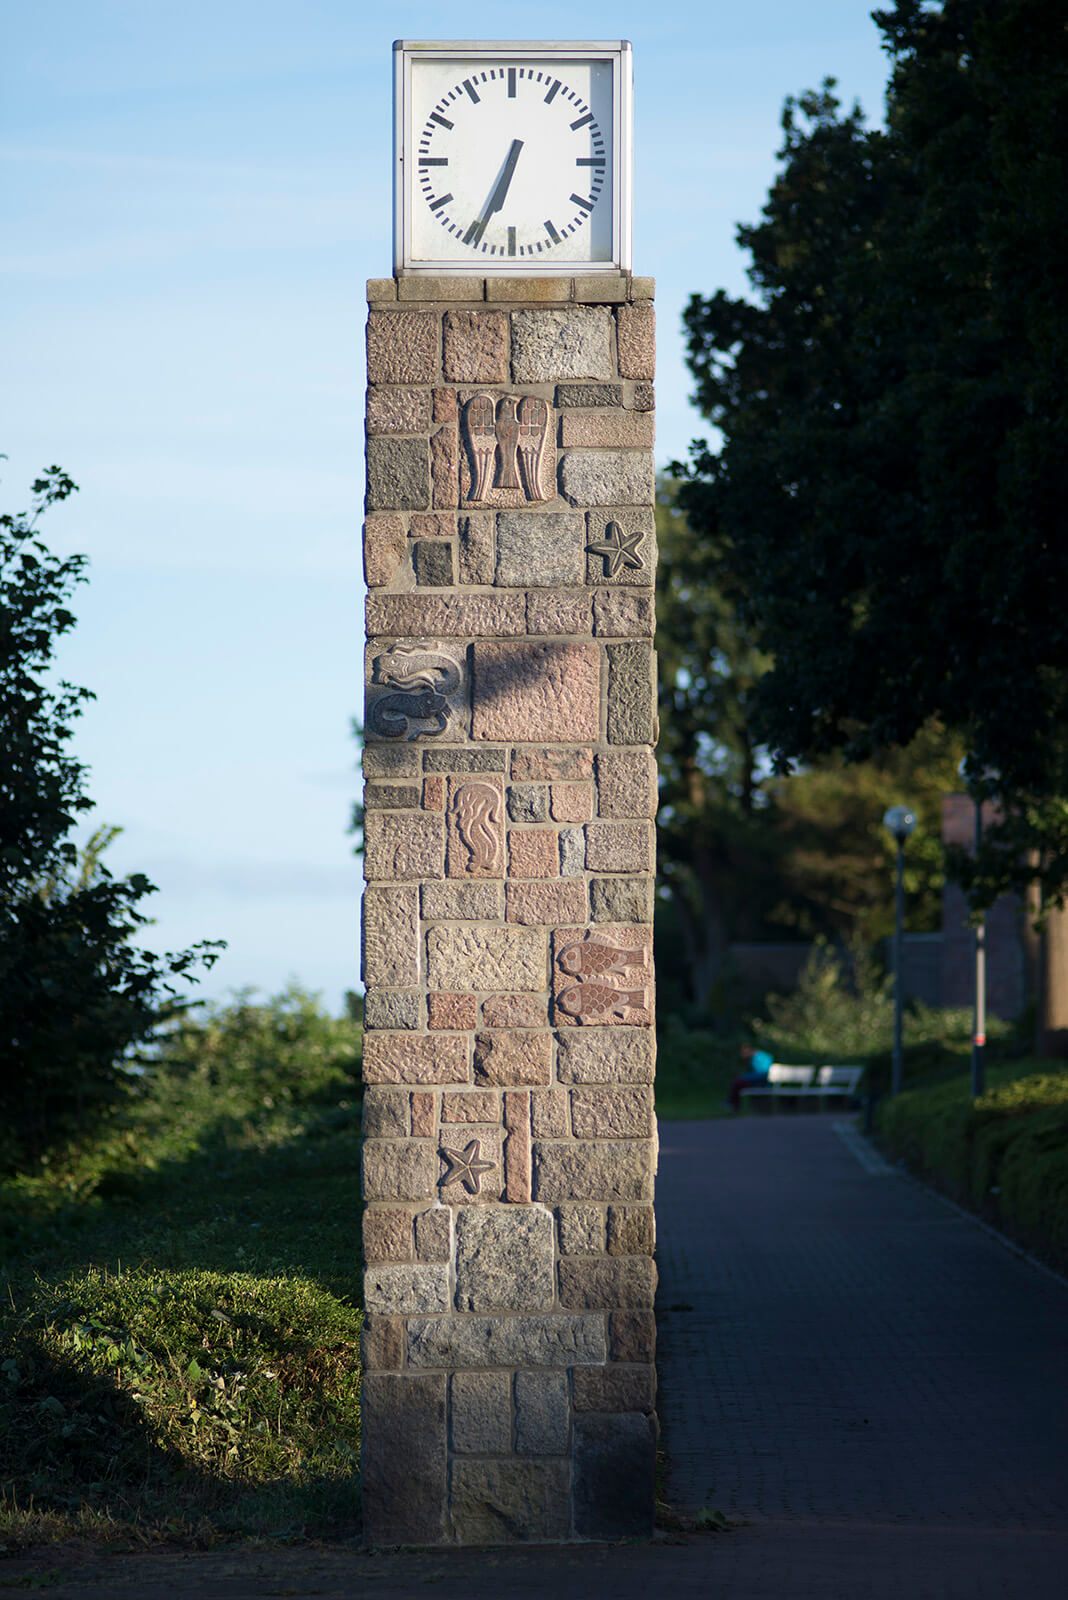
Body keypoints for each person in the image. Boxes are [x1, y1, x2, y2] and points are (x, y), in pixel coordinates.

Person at [728, 1042, 774, 1112]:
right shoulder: (754, 1058)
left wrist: (745, 1077)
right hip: (757, 1082)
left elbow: (764, 1074)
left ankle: (733, 1105)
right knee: (737, 1081)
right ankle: (733, 1104)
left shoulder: (761, 1058)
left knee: (738, 1081)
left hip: (763, 1083)